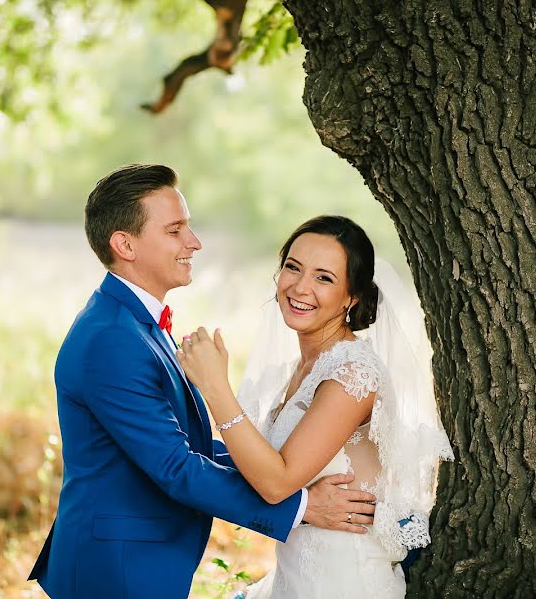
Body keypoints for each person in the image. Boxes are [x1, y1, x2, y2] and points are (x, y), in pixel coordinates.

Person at [27, 166, 378, 599]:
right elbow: (176, 466)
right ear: (125, 244)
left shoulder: (137, 324)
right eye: (176, 230)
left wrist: (284, 479)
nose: (194, 242)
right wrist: (304, 506)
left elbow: (185, 443)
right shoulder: (111, 339)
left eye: (188, 227)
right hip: (117, 568)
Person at [178, 215, 454, 598]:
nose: (300, 287)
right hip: (296, 578)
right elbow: (260, 467)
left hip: (342, 583)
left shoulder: (353, 375)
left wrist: (215, 389)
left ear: (352, 296)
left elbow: (276, 482)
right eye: (293, 268)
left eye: (324, 277)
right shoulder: (302, 369)